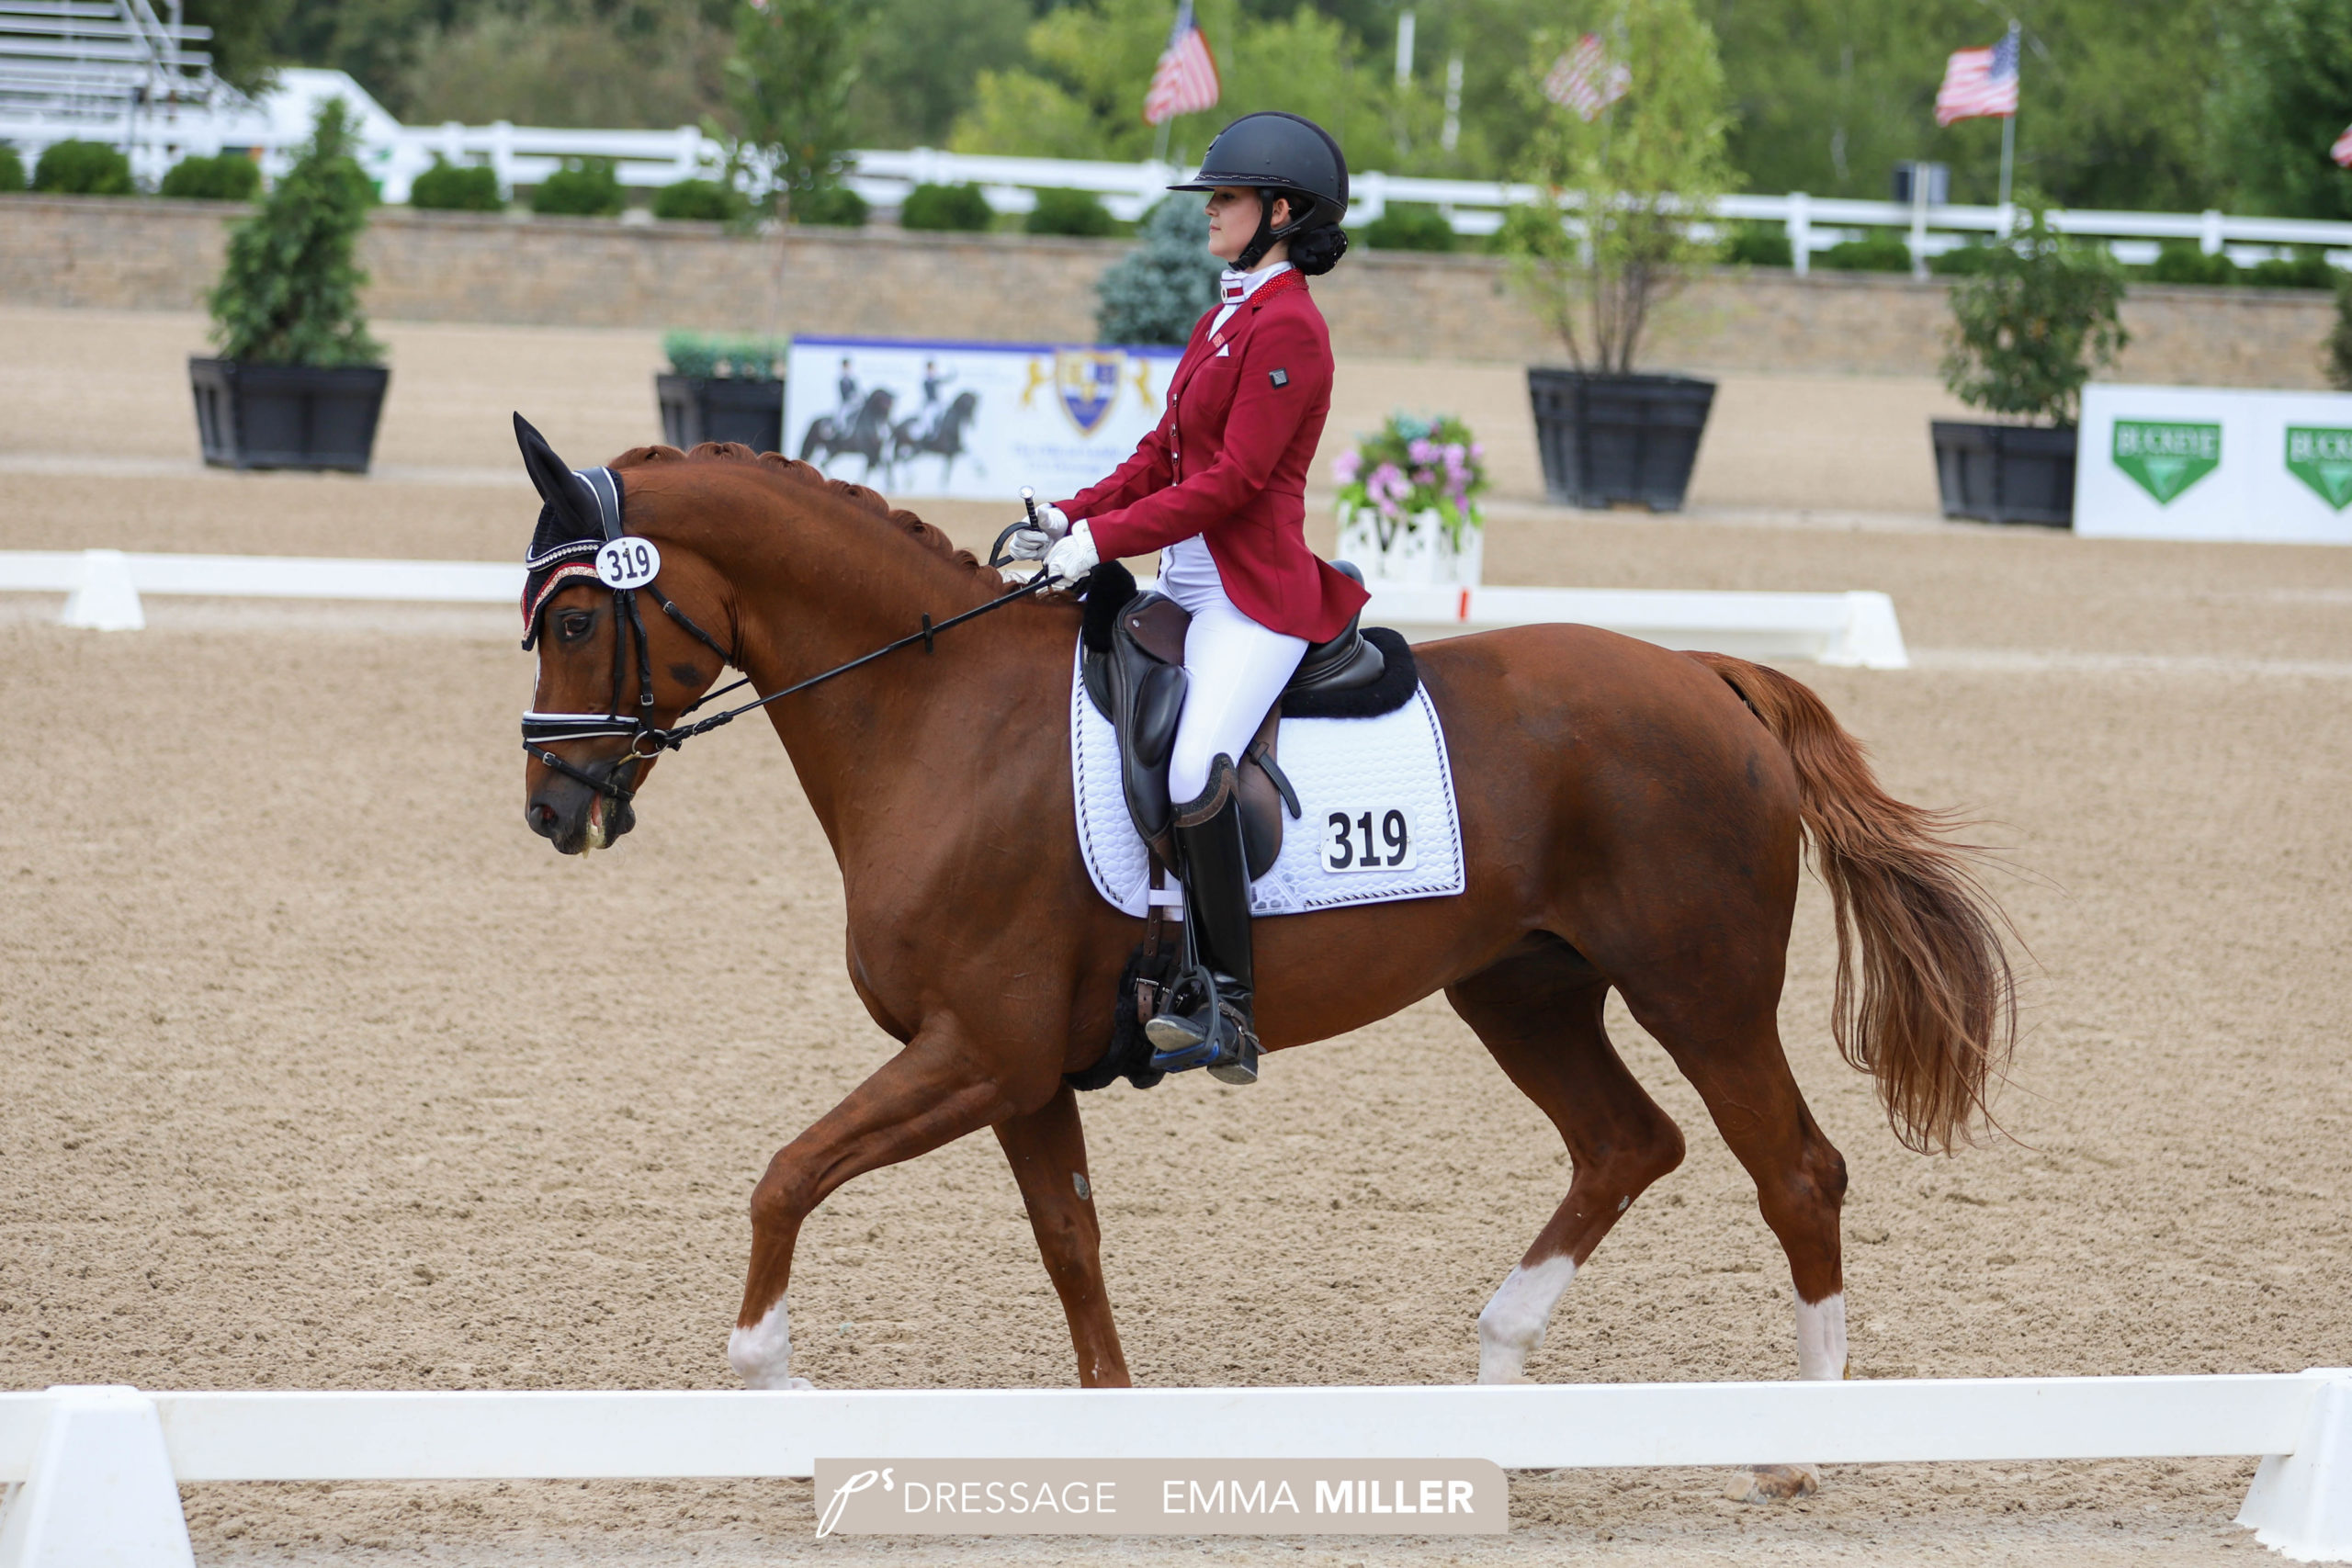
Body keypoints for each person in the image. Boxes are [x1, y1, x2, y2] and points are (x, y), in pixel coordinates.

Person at [1033, 111, 1364, 1086]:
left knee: (1191, 771)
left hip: (1251, 600)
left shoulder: (1291, 327)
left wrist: (1101, 541)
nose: (1209, 213)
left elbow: (1230, 485)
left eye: (1224, 198)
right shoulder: (1224, 315)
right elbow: (1160, 457)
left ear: (1280, 211)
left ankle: (1226, 1002)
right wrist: (1067, 514)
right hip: (1184, 585)